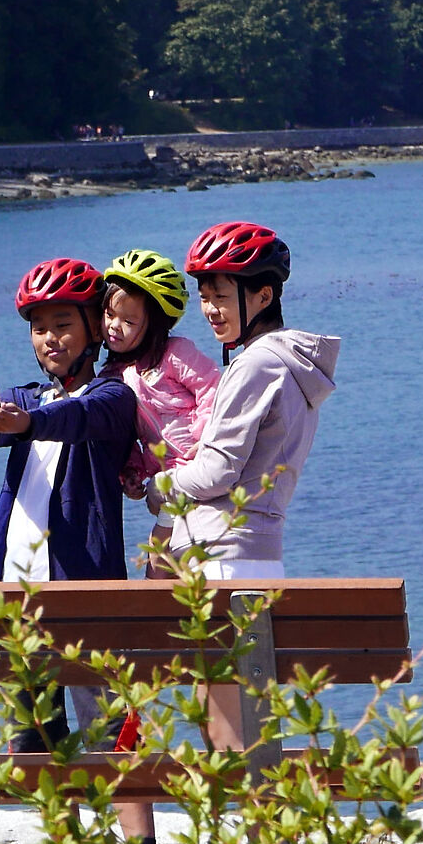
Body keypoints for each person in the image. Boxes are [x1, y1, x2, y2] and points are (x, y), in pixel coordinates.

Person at [0, 257, 136, 750]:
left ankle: (137, 833)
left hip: (86, 592)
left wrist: (27, 425)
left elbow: (76, 417)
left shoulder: (114, 397)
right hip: (17, 592)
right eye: (38, 328)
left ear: (94, 327)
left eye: (62, 324)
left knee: (112, 737)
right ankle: (62, 830)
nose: (49, 337)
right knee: (33, 740)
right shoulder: (27, 399)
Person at [158, 221, 340, 581]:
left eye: (221, 297)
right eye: (204, 297)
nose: (210, 309)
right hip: (260, 554)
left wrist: (162, 485)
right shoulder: (293, 365)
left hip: (220, 559)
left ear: (265, 296)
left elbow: (217, 472)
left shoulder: (255, 364)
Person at [98, 249, 222, 568]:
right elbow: (130, 436)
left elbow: (212, 388)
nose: (114, 326)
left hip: (197, 466)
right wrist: (132, 472)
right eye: (110, 315)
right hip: (168, 479)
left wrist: (204, 437)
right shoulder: (112, 377)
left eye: (128, 321)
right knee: (159, 565)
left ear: (154, 325)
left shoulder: (174, 354)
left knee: (169, 558)